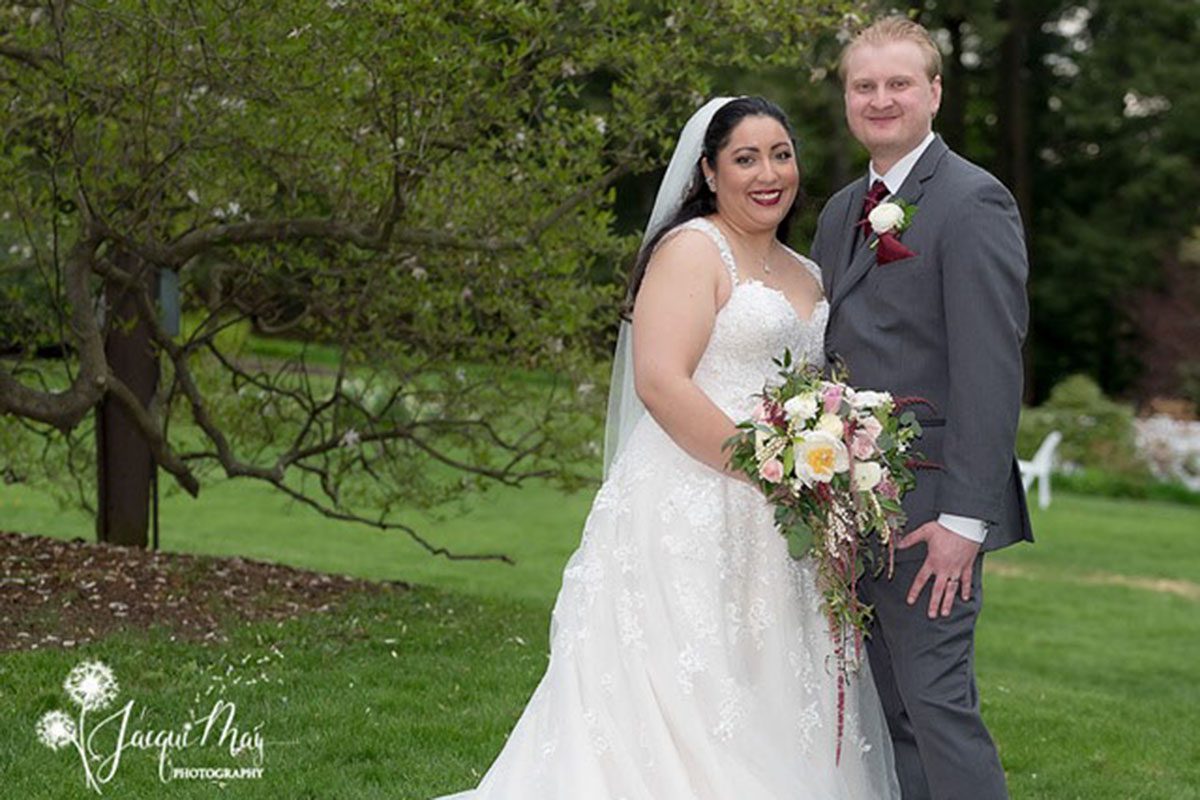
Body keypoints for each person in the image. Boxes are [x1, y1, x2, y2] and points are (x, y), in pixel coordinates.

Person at [435, 96, 899, 799]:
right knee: (690, 687)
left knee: (771, 683)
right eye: (745, 158)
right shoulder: (693, 250)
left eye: (781, 154)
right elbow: (660, 381)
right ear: (710, 172)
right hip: (691, 501)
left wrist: (816, 467)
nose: (768, 173)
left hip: (782, 522)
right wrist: (770, 469)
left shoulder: (806, 271)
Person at [811, 17, 1033, 800]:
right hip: (854, 510)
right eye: (864, 86)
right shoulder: (841, 211)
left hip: (934, 510)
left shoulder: (974, 201)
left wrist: (966, 523)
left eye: (899, 83)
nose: (880, 100)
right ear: (846, 99)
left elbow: (990, 367)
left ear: (934, 93)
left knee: (938, 707)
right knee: (890, 709)